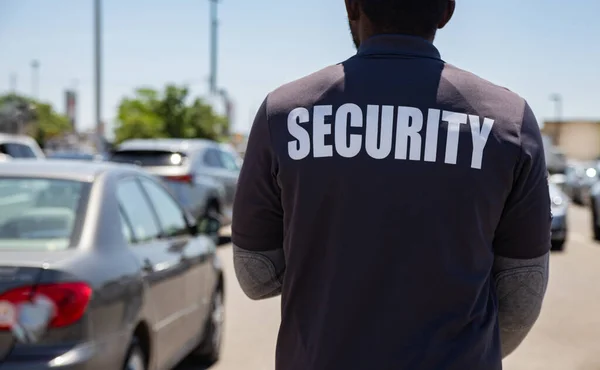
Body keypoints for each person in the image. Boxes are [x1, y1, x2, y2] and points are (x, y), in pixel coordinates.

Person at [232, 0, 551, 369]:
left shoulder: (285, 113)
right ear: (446, 11)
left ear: (353, 6)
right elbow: (522, 291)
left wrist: (328, 267)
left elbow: (254, 275)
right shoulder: (508, 119)